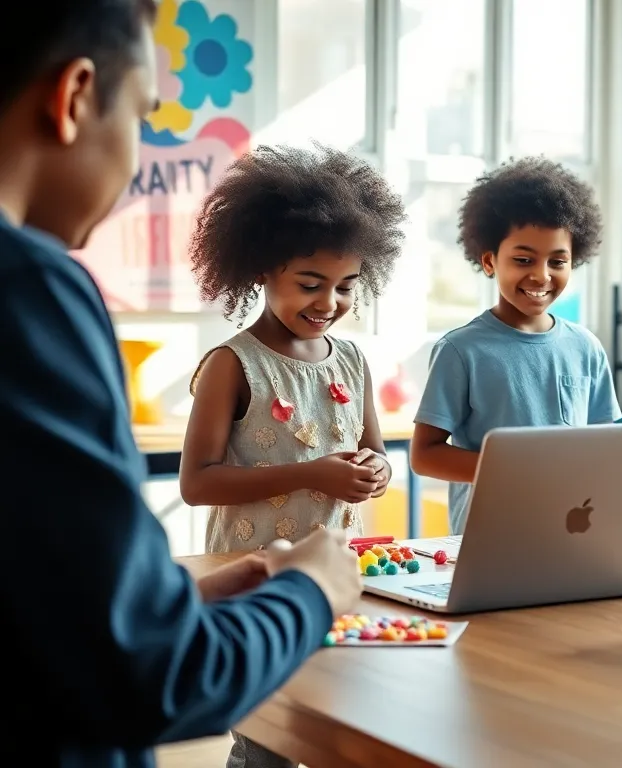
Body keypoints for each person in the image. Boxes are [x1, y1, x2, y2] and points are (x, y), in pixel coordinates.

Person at [0, 3, 362, 766]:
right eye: (139, 115)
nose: (133, 162)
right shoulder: (31, 292)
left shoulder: (349, 358)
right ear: (72, 98)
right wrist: (310, 592)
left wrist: (173, 603)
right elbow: (149, 679)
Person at [178, 144, 406, 767]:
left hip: (334, 576)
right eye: (310, 284)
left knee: (331, 718)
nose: (327, 302)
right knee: (269, 737)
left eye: (345, 288)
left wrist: (376, 470)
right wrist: (312, 473)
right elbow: (196, 483)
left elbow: (375, 456)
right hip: (256, 580)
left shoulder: (353, 359)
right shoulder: (233, 364)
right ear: (261, 270)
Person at [410, 156, 620, 534]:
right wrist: (512, 472)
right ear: (490, 261)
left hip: (569, 529)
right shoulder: (461, 351)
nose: (541, 275)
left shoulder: (586, 347)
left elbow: (604, 446)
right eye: (523, 259)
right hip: (490, 532)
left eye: (558, 261)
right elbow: (425, 456)